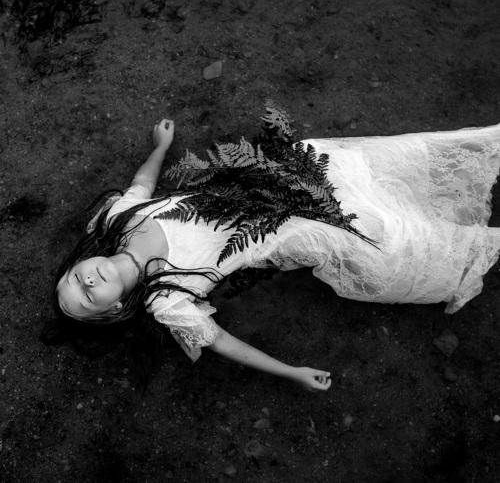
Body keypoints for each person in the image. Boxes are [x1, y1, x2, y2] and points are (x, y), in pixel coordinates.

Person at [54, 118, 500, 392]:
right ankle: (461, 243)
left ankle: (450, 169)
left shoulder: (115, 219)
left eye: (75, 278)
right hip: (283, 230)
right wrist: (291, 371)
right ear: (114, 309)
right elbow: (222, 343)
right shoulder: (166, 301)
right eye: (88, 297)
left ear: (78, 264)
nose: (87, 282)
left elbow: (142, 184)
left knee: (335, 159)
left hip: (261, 184)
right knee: (373, 230)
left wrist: (160, 148)